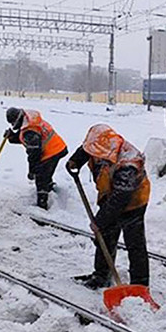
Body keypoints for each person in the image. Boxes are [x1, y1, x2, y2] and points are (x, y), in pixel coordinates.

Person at [66, 124, 151, 289]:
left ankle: (140, 285)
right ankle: (101, 276)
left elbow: (120, 199)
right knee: (105, 236)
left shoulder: (128, 165)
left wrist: (100, 220)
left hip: (133, 202)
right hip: (111, 194)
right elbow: (86, 149)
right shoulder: (101, 145)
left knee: (135, 244)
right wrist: (75, 160)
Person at [5, 107, 68, 210]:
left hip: (51, 152)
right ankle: (49, 186)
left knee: (41, 177)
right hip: (58, 147)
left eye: (13, 123)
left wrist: (32, 171)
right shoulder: (30, 121)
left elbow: (34, 154)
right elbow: (25, 138)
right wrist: (12, 136)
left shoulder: (30, 131)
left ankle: (42, 204)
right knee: (45, 172)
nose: (13, 126)